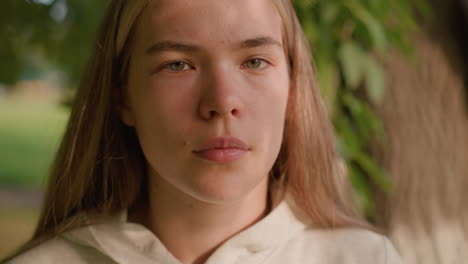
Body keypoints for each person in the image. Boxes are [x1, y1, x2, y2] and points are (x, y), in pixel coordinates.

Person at [5, 0, 402, 263]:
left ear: (293, 89)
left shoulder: (366, 258)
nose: (222, 101)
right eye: (178, 65)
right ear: (123, 99)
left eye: (255, 62)